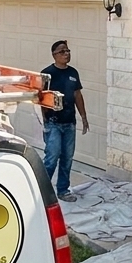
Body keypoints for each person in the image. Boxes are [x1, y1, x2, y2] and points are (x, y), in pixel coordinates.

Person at [40, 40, 89, 202]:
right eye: (62, 51)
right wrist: (46, 119)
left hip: (69, 123)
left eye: (68, 51)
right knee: (52, 157)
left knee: (67, 158)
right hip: (53, 123)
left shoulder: (73, 73)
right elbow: (40, 98)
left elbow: (77, 95)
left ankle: (63, 190)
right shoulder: (47, 74)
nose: (66, 54)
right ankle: (42, 192)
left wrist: (83, 116)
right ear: (54, 55)